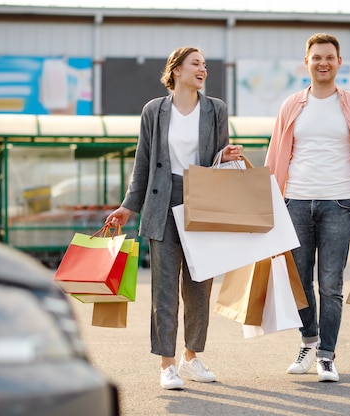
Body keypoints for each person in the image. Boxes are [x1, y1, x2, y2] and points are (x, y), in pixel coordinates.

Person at [105, 46, 243, 390]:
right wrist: (128, 206)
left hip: (202, 201)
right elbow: (143, 163)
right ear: (176, 70)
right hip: (161, 203)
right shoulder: (154, 110)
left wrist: (224, 155)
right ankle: (167, 364)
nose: (203, 70)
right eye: (196, 64)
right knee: (164, 289)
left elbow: (220, 163)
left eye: (205, 65)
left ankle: (191, 356)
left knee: (199, 287)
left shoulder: (215, 110)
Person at [265, 33, 350, 382]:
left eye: (329, 57)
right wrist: (269, 201)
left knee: (331, 285)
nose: (323, 62)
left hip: (338, 203)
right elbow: (276, 154)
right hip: (295, 201)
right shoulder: (292, 104)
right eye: (316, 57)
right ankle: (309, 340)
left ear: (339, 63)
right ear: (306, 62)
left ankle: (326, 356)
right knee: (300, 282)